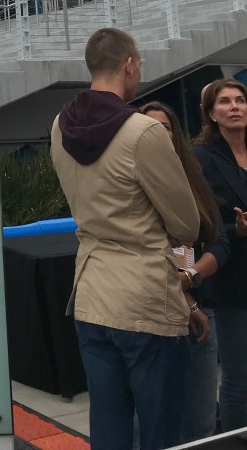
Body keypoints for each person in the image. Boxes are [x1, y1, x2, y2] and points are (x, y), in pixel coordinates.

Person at [51, 28, 199, 450]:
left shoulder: (59, 125)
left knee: (109, 426)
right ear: (130, 65)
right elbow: (185, 224)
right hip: (144, 297)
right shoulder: (143, 133)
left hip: (92, 292)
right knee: (160, 429)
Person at [140, 101, 228, 442]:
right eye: (149, 126)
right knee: (152, 421)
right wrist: (184, 297)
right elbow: (147, 251)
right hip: (155, 315)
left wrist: (192, 279)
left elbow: (220, 242)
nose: (158, 133)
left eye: (165, 126)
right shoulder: (132, 180)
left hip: (200, 310)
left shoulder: (195, 176)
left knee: (202, 422)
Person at [193, 78, 247, 435]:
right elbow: (201, 221)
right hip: (233, 278)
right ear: (211, 113)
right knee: (239, 379)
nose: (234, 107)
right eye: (225, 102)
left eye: (240, 100)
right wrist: (236, 229)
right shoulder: (202, 158)